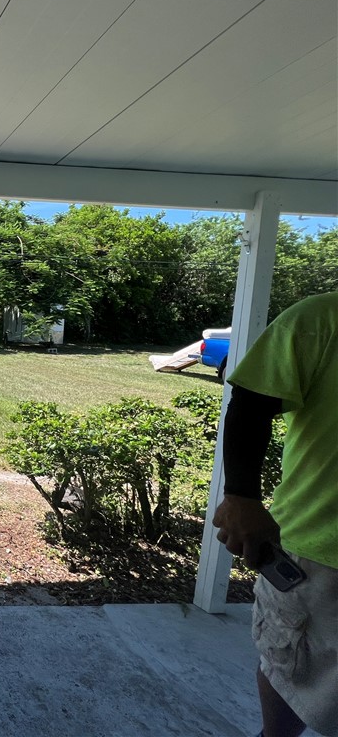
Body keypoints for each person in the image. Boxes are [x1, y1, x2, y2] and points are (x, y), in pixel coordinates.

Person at [212, 291, 338, 737]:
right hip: (318, 552)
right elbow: (250, 403)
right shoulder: (320, 319)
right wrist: (241, 499)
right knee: (291, 666)